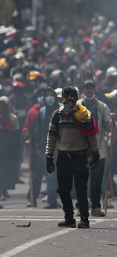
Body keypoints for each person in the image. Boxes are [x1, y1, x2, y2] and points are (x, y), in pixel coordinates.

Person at [46, 86, 99, 229]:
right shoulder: (57, 115)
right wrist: (49, 156)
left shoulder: (84, 114)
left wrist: (95, 153)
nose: (69, 98)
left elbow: (91, 134)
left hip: (80, 156)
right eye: (66, 95)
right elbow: (51, 136)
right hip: (63, 157)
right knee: (63, 189)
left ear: (77, 97)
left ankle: (84, 219)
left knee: (81, 189)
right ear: (62, 98)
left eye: (72, 95)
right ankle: (69, 218)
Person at [76, 80, 114, 217]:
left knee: (96, 180)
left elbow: (108, 127)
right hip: (80, 148)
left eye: (91, 88)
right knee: (81, 179)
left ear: (94, 90)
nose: (89, 90)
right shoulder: (77, 106)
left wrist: (113, 120)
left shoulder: (102, 106)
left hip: (98, 148)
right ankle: (80, 207)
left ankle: (96, 207)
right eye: (87, 88)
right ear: (83, 90)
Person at [0, 96, 20, 201]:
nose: (2, 106)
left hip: (9, 148)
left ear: (8, 105)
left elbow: (16, 134)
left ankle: (4, 190)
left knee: (7, 169)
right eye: (1, 104)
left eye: (4, 104)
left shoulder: (13, 118)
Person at [35, 88, 61, 209]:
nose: (50, 97)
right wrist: (38, 146)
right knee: (50, 175)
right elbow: (39, 130)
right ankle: (52, 199)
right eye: (47, 95)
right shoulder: (42, 112)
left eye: (52, 95)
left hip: (62, 146)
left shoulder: (61, 110)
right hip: (48, 146)